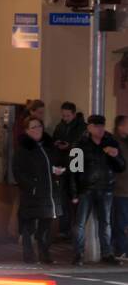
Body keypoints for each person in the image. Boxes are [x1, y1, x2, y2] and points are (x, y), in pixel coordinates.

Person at [70, 114, 126, 266]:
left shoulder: (110, 141)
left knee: (105, 223)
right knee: (80, 223)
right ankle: (78, 253)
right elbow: (73, 170)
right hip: (85, 189)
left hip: (106, 188)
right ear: (89, 127)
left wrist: (115, 156)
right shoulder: (80, 144)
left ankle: (106, 253)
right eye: (96, 126)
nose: (100, 129)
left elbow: (121, 167)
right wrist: (74, 193)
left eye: (102, 126)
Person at [13, 116, 62, 265]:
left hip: (49, 193)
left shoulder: (49, 146)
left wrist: (58, 171)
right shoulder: (23, 149)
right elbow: (18, 172)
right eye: (33, 127)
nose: (37, 130)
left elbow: (57, 162)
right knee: (28, 226)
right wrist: (31, 187)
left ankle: (44, 255)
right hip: (32, 194)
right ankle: (29, 256)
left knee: (45, 226)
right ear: (27, 130)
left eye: (39, 126)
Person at [53, 101, 87, 237]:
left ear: (74, 114)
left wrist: (69, 146)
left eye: (67, 115)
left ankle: (77, 228)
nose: (65, 118)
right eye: (63, 115)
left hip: (75, 164)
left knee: (75, 198)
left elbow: (81, 145)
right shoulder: (60, 126)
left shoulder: (81, 127)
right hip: (63, 164)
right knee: (62, 198)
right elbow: (55, 139)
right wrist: (57, 144)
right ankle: (64, 229)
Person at [114, 116, 128, 262]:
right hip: (121, 188)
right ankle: (121, 250)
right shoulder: (116, 143)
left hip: (125, 188)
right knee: (121, 222)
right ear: (120, 127)